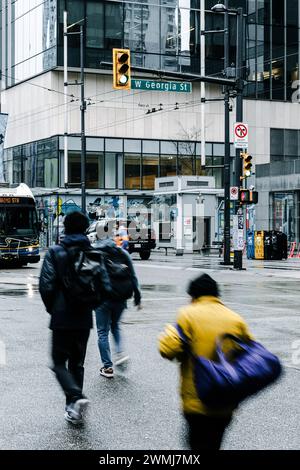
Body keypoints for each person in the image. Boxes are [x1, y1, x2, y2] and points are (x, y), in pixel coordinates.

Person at [158, 273, 253, 450]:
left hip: (197, 402)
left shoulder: (188, 315)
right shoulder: (236, 319)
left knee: (196, 444)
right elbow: (250, 354)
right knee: (214, 443)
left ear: (193, 296)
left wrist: (170, 332)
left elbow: (167, 350)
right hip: (226, 401)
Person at [39, 211, 92, 425]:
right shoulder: (91, 252)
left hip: (62, 317)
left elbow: (46, 286)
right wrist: (89, 305)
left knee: (58, 362)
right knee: (77, 364)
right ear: (86, 229)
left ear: (65, 228)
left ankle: (76, 399)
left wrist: (54, 309)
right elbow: (102, 284)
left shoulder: (55, 252)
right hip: (84, 318)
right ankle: (74, 409)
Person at [93, 223, 142, 378]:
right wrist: (138, 297)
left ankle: (107, 367)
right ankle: (120, 353)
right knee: (115, 326)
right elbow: (133, 276)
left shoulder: (95, 253)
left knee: (102, 332)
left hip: (102, 299)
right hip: (121, 297)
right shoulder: (122, 253)